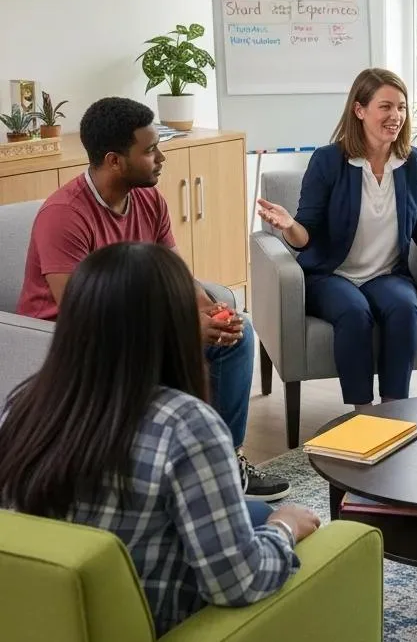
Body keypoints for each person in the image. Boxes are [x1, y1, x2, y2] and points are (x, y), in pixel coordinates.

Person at [0, 243, 321, 637]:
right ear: (174, 326)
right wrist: (285, 528)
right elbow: (239, 582)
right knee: (290, 525)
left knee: (252, 515)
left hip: (46, 634)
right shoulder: (187, 425)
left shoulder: (23, 406)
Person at [15, 96, 289, 501]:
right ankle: (175, 472)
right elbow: (83, 311)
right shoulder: (64, 215)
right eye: (149, 150)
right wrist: (179, 327)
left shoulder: (148, 198)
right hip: (76, 336)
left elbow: (173, 271)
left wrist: (206, 308)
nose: (161, 157)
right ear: (114, 160)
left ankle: (224, 461)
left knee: (238, 334)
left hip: (135, 323)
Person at [256, 68, 417, 405]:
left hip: (386, 274)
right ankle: (362, 412)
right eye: (385, 107)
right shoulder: (328, 161)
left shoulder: (415, 161)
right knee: (355, 314)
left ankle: (394, 408)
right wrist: (288, 226)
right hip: (331, 274)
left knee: (403, 308)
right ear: (359, 110)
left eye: (401, 107)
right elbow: (305, 236)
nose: (395, 116)